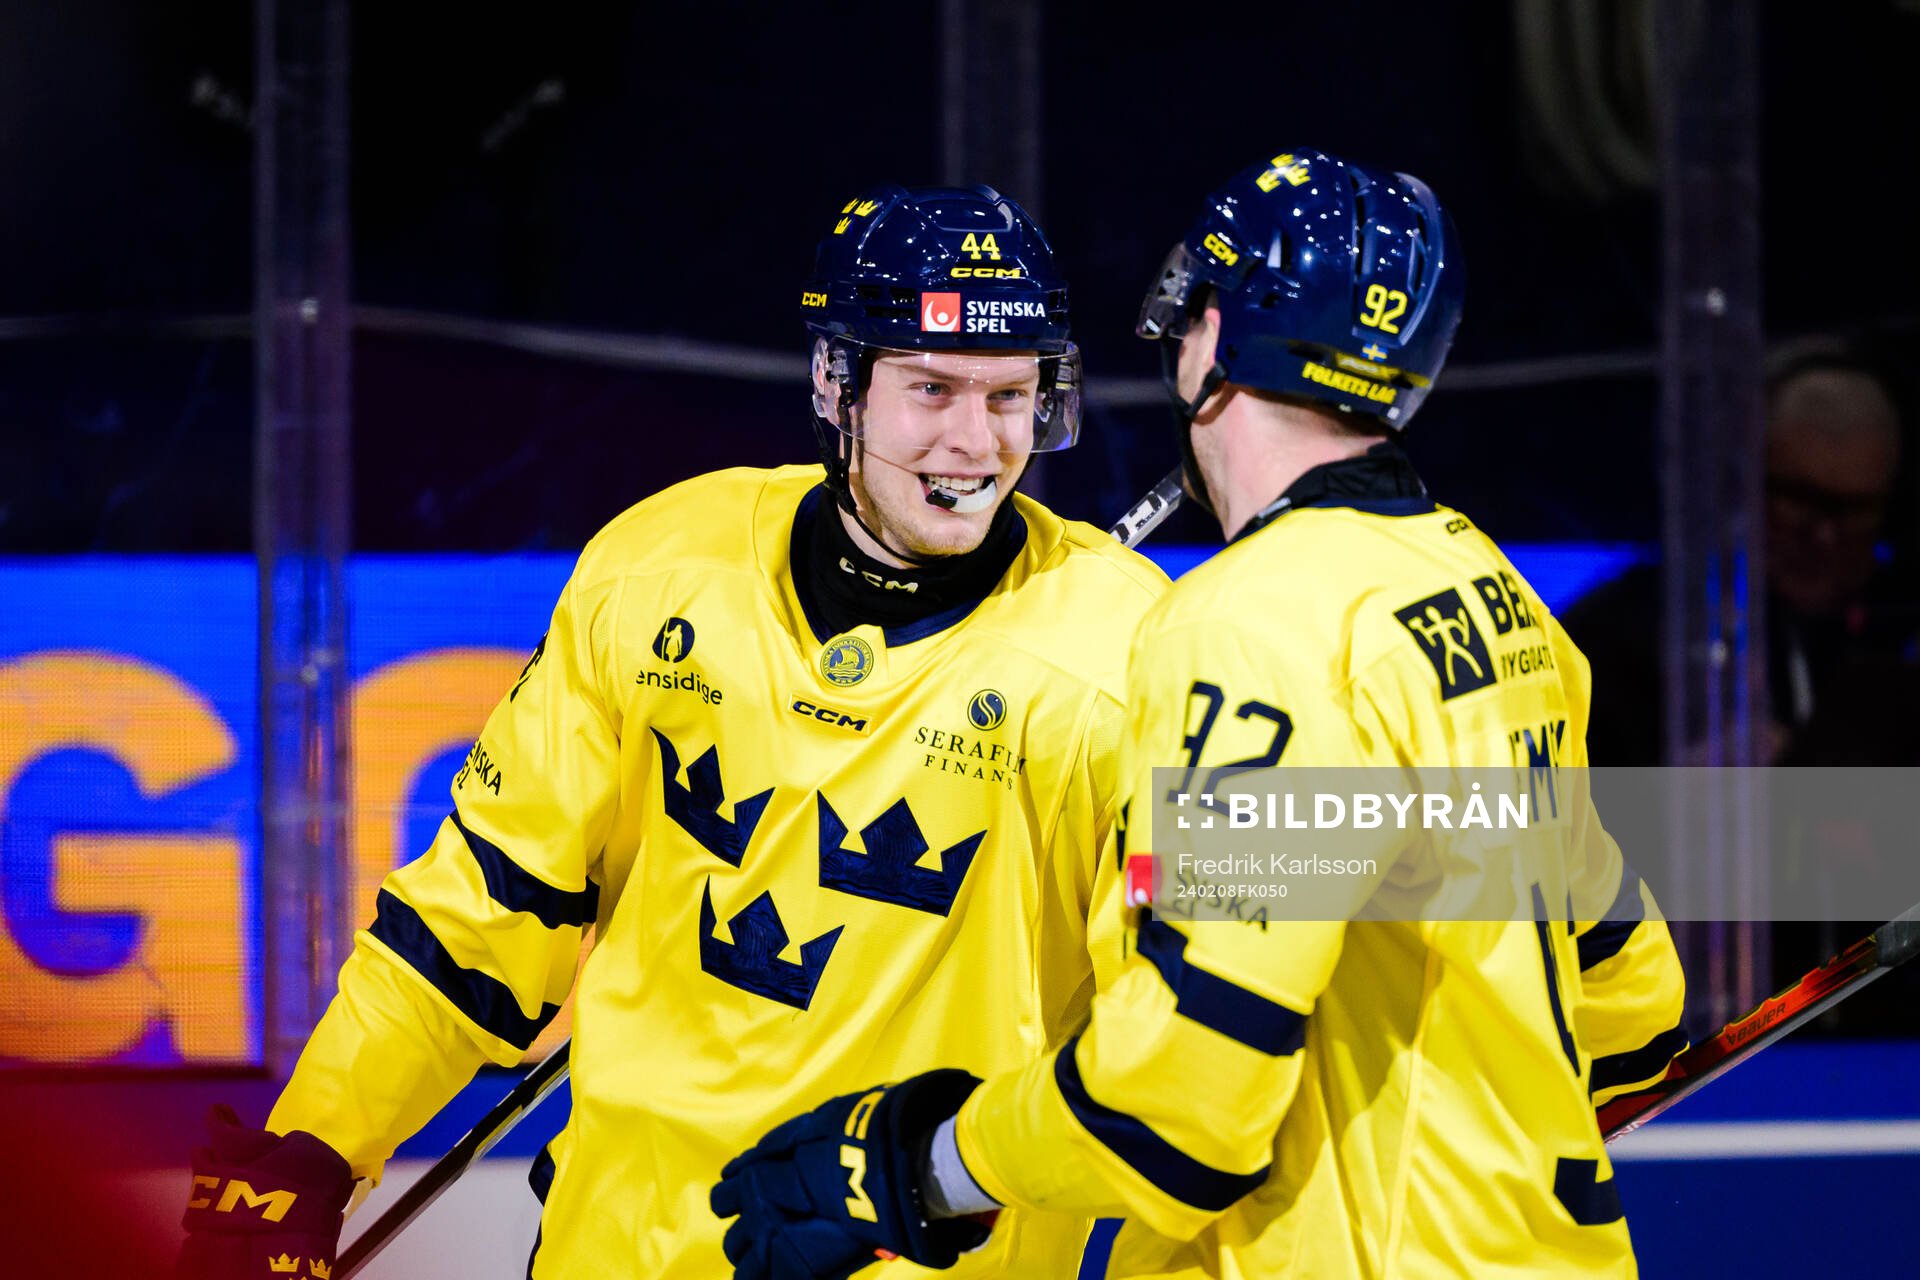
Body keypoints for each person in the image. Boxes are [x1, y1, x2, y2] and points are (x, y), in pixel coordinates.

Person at [711, 150, 1689, 1279]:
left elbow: (1186, 1095)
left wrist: (911, 1161)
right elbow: (1632, 998)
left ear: (1217, 336)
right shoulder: (1493, 596)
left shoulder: (1249, 633)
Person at [175, 184, 1168, 1279]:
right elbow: (485, 915)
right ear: (837, 384)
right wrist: (314, 1143)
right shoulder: (660, 567)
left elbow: (1222, 1008)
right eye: (931, 388)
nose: (975, 442)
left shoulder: (1134, 649)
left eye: (1009, 396)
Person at [1567, 350, 1917, 768]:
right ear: (1740, 485)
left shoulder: (1894, 643)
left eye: (1853, 510)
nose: (1823, 536)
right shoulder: (1617, 639)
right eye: (1800, 500)